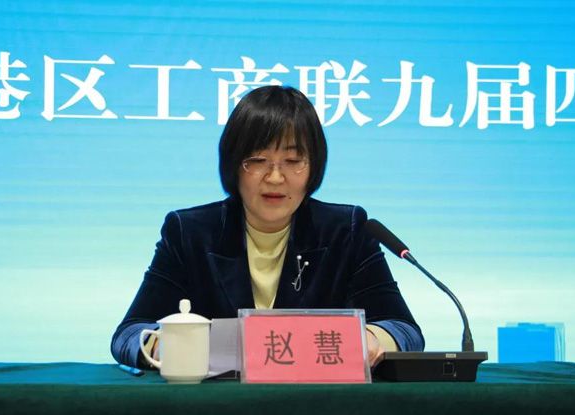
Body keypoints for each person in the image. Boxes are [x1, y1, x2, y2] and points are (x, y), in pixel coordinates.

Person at [111, 85, 424, 369]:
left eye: (293, 161)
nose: (275, 177)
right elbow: (129, 334)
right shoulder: (189, 232)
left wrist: (373, 339)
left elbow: (405, 330)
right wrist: (168, 346)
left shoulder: (346, 230)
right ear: (233, 165)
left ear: (314, 166)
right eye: (257, 160)